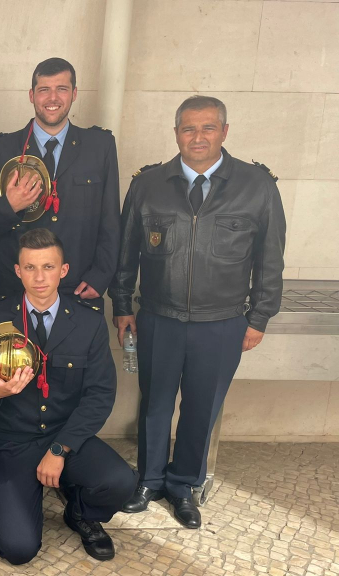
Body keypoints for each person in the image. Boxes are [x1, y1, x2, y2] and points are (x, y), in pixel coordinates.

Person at [111, 95, 286, 528]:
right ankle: (149, 480)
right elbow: (125, 252)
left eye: (208, 127)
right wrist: (122, 305)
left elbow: (270, 258)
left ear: (224, 131)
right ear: (176, 133)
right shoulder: (148, 184)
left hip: (222, 322)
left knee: (202, 408)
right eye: (188, 128)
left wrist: (260, 317)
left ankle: (183, 485)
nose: (198, 137)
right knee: (154, 404)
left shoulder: (257, 186)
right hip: (158, 317)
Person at [0, 228, 136, 565]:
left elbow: (100, 394)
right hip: (13, 440)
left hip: (65, 435)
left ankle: (80, 512)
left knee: (120, 482)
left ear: (63, 270)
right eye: (30, 267)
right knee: (18, 549)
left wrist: (60, 449)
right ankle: (7, 493)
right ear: (17, 270)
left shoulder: (88, 322)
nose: (39, 277)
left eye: (48, 267)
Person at [0, 58, 120, 304]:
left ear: (74, 93)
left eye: (61, 89)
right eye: (44, 90)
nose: (53, 98)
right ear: (32, 95)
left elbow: (111, 220)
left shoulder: (100, 146)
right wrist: (9, 207)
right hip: (15, 287)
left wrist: (101, 276)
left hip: (78, 287)